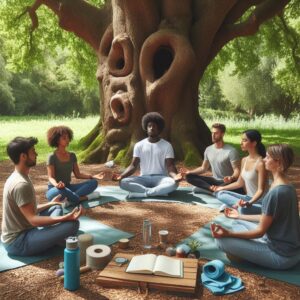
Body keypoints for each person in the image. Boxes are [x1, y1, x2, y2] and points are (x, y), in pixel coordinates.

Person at [211, 144, 300, 270]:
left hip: (281, 256)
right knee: (238, 221)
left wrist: (228, 234)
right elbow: (266, 217)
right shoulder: (287, 186)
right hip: (290, 249)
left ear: (278, 162)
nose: (264, 160)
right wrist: (239, 215)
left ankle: (244, 254)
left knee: (221, 241)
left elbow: (259, 232)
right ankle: (244, 248)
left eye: (268, 157)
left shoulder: (276, 192)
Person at [1, 137, 82, 256]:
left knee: (56, 207)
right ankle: (54, 237)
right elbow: (33, 220)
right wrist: (65, 218)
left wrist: (51, 203)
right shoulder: (21, 184)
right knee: (73, 224)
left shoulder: (20, 175)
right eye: (33, 151)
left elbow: (28, 211)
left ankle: (52, 236)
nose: (36, 153)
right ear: (23, 156)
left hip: (27, 230)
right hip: (18, 242)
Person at [114, 112, 182, 198]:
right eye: (149, 126)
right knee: (123, 182)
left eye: (154, 126)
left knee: (174, 184)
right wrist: (121, 176)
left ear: (159, 128)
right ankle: (157, 192)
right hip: (143, 178)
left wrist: (175, 176)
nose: (152, 128)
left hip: (161, 178)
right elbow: (133, 166)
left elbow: (170, 166)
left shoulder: (167, 145)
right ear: (146, 128)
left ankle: (143, 193)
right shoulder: (139, 145)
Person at [46, 126, 104, 207]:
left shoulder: (72, 155)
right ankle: (85, 198)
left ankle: (69, 200)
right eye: (64, 138)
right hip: (55, 189)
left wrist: (93, 176)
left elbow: (78, 174)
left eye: (68, 138)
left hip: (68, 188)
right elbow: (50, 177)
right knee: (62, 191)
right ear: (56, 140)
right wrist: (57, 185)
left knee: (94, 182)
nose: (68, 140)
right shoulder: (51, 156)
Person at [212, 130, 267, 214]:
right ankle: (237, 205)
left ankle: (237, 206)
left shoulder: (260, 163)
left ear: (254, 143)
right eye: (242, 140)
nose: (241, 143)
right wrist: (222, 188)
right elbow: (239, 183)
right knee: (219, 193)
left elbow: (261, 190)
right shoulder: (244, 160)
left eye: (245, 140)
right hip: (247, 198)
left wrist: (249, 203)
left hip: (260, 202)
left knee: (244, 209)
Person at [185, 123, 241, 194]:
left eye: (216, 133)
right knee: (189, 176)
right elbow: (203, 168)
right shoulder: (208, 149)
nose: (213, 136)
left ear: (222, 134)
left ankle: (214, 190)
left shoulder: (231, 151)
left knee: (196, 189)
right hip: (214, 180)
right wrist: (189, 172)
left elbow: (237, 171)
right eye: (212, 133)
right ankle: (211, 189)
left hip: (227, 182)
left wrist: (231, 177)